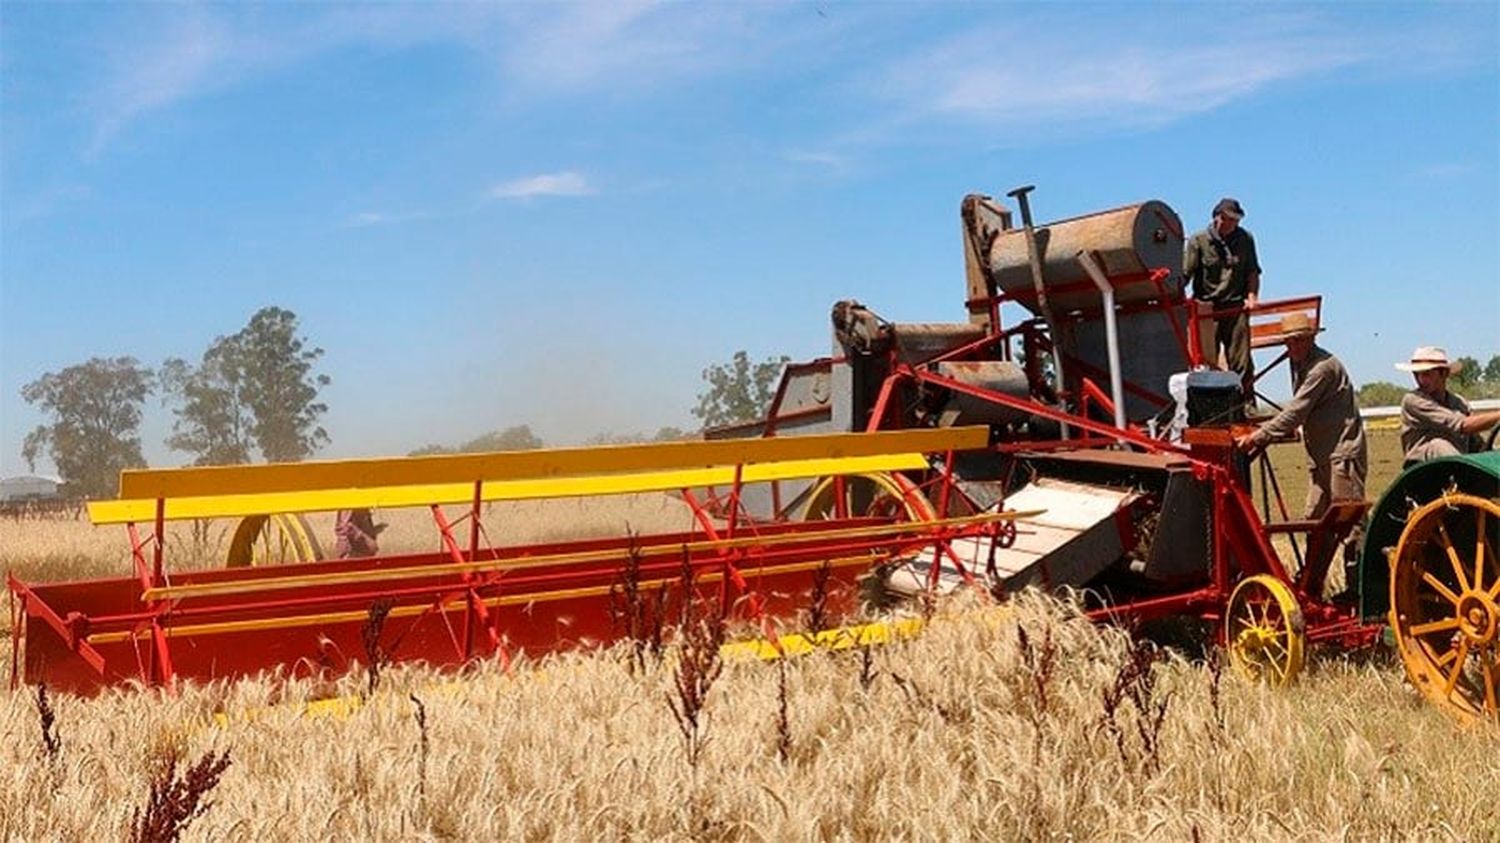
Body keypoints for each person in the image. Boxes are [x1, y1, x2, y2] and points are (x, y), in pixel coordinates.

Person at [1233, 312, 1367, 590]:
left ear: (1311, 338)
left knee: (1349, 524)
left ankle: (1359, 591)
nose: (1291, 347)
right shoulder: (1300, 364)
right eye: (1288, 342)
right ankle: (1311, 586)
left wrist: (1258, 436)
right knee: (1316, 523)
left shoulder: (1322, 367)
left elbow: (1296, 410)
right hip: (1321, 458)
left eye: (1297, 341)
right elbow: (1301, 412)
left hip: (1342, 455)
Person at [1184, 197, 1261, 378]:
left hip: (1235, 308)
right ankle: (1211, 405)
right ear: (1217, 217)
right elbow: (1186, 273)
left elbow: (1252, 271)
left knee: (1242, 364)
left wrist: (1252, 297)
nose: (1233, 224)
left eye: (1236, 220)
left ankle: (1246, 405)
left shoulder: (1245, 239)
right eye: (1229, 219)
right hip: (1207, 311)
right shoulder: (1198, 241)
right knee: (1205, 365)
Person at [1397, 346, 1500, 463]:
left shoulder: (1460, 403)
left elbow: (1476, 445)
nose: (1420, 380)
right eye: (1416, 374)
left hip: (1458, 463)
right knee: (1438, 445)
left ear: (1444, 373)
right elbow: (1462, 426)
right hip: (1422, 470)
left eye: (1426, 374)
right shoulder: (1413, 400)